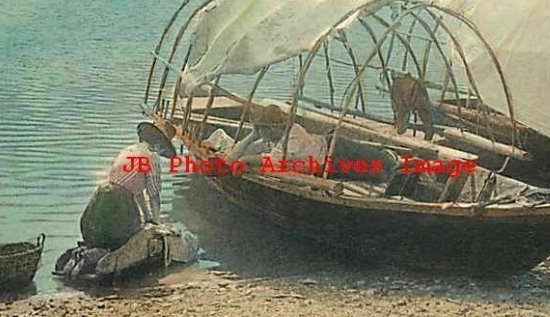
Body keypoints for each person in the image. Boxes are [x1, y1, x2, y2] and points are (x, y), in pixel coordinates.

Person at [208, 104, 400, 183]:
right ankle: (392, 172)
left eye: (264, 129)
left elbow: (272, 161)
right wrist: (252, 135)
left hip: (335, 149)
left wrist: (245, 161)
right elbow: (232, 156)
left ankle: (396, 160)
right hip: (326, 166)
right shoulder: (273, 139)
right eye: (261, 130)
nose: (263, 134)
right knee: (376, 176)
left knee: (382, 161)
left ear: (275, 126)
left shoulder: (294, 132)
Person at [79, 120, 177, 251]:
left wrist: (148, 217)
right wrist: (157, 222)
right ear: (159, 145)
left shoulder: (129, 150)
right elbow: (154, 194)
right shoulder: (151, 157)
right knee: (128, 238)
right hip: (119, 203)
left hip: (100, 197)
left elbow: (137, 192)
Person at [390, 72, 445, 141]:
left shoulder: (412, 89)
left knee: (425, 113)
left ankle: (430, 131)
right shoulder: (400, 87)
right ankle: (429, 131)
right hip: (410, 98)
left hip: (414, 98)